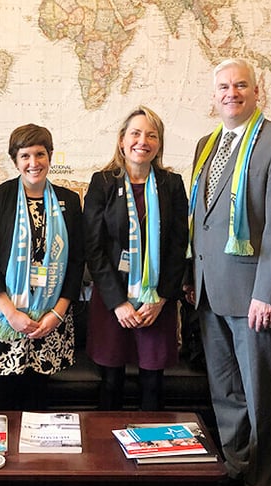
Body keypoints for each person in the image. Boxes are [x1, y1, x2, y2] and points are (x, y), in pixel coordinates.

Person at [183, 58, 271, 486]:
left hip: (253, 295)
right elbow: (204, 219)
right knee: (226, 391)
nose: (231, 93)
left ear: (258, 92)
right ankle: (236, 466)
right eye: (223, 87)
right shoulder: (206, 144)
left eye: (241, 85)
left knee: (259, 393)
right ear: (213, 95)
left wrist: (268, 294)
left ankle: (265, 483)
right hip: (209, 291)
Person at [0, 123, 83, 486]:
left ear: (50, 156)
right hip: (3, 320)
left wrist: (58, 313)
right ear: (15, 160)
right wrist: (11, 313)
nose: (34, 162)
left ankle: (35, 469)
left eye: (40, 154)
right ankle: (4, 475)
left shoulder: (68, 200)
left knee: (38, 402)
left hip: (50, 321)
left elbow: (76, 261)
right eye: (25, 156)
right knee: (1, 400)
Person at [83, 105, 188, 411]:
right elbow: (94, 247)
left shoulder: (172, 185)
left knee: (153, 383)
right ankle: (108, 457)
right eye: (136, 133)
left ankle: (151, 453)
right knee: (111, 381)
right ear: (121, 140)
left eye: (151, 135)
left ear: (159, 143)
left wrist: (162, 299)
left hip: (156, 301)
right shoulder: (102, 183)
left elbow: (178, 247)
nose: (143, 141)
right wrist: (119, 303)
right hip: (112, 300)